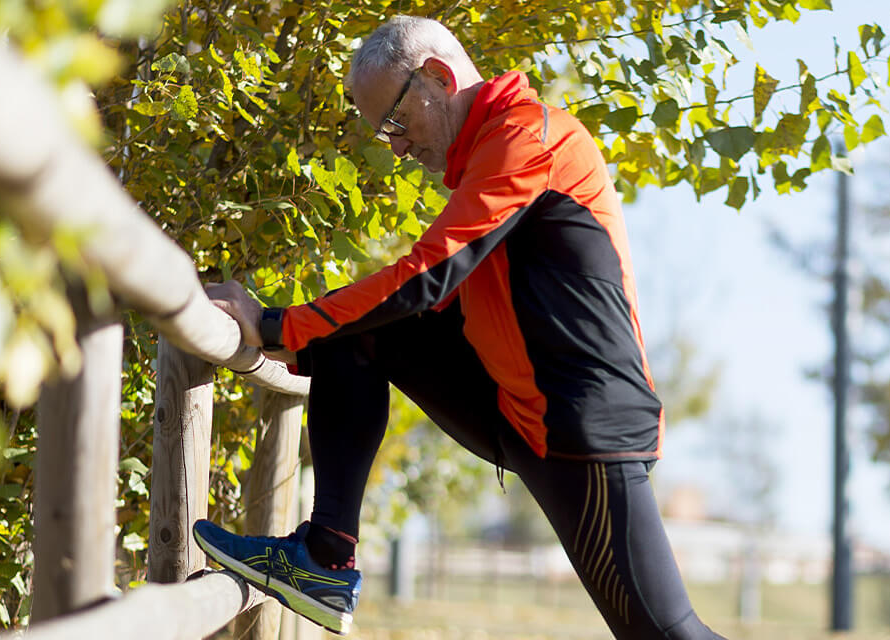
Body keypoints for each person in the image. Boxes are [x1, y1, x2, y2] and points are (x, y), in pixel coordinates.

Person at [191, 15, 724, 640]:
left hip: (583, 425)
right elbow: (427, 312)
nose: (394, 145)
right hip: (519, 408)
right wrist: (299, 346)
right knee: (355, 330)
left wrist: (276, 324)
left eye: (394, 122)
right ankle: (325, 560)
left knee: (666, 634)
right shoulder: (488, 157)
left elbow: (425, 278)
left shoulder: (530, 139)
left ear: (438, 79)